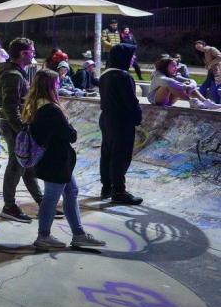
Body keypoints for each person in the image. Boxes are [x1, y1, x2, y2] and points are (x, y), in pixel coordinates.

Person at [24, 69, 106, 250]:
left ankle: (79, 234)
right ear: (50, 86)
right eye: (56, 82)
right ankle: (43, 236)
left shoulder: (37, 105)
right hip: (56, 160)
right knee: (51, 198)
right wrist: (70, 128)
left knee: (71, 192)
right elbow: (70, 135)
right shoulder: (51, 109)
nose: (59, 84)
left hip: (52, 159)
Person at [0, 37, 44, 223]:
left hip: (15, 124)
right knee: (16, 165)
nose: (34, 53)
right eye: (32, 50)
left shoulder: (14, 71)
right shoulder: (12, 75)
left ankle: (42, 202)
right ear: (23, 53)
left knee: (27, 165)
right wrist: (22, 130)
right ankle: (9, 206)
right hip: (13, 126)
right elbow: (10, 107)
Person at [99, 42, 144, 204]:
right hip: (121, 121)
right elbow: (131, 102)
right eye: (132, 55)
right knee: (121, 156)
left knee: (107, 153)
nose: (134, 59)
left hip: (106, 119)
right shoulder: (123, 76)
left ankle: (107, 187)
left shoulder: (105, 75)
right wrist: (137, 118)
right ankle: (119, 191)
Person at [148, 56, 219, 110]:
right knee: (169, 84)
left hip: (170, 100)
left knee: (186, 83)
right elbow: (166, 81)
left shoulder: (175, 74)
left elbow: (191, 81)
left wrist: (189, 85)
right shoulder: (158, 74)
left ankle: (205, 101)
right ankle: (191, 101)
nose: (176, 68)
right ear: (165, 66)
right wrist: (184, 87)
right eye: (173, 66)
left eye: (176, 65)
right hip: (155, 99)